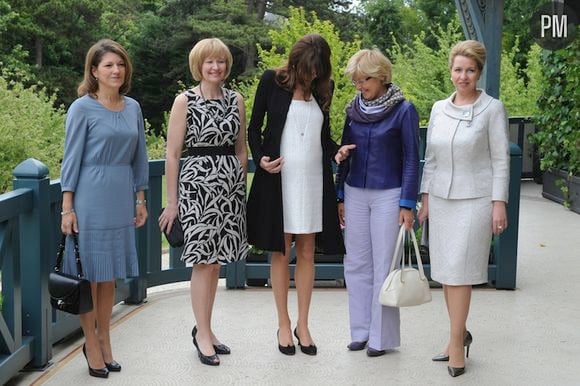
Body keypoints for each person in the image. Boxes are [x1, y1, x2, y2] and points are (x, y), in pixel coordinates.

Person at [246, 33, 344, 356]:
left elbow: (323, 138)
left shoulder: (323, 89)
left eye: (318, 70)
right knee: (280, 250)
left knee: (307, 251)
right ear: (296, 62)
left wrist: (337, 152)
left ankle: (304, 324)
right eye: (308, 69)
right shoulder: (272, 81)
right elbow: (254, 129)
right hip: (280, 180)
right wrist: (260, 157)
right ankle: (283, 323)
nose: (312, 75)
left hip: (313, 181)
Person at [417, 40, 509, 377]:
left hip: (476, 200)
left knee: (461, 271)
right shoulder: (439, 108)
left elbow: (501, 160)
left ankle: (456, 344)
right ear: (450, 71)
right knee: (445, 273)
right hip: (441, 199)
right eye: (458, 69)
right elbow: (432, 158)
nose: (463, 76)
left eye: (470, 70)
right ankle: (459, 334)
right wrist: (425, 198)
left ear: (479, 72)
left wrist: (499, 203)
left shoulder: (492, 109)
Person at [60, 39, 149, 378]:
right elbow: (71, 159)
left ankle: (105, 338)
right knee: (89, 276)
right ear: (94, 71)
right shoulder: (81, 108)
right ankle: (91, 343)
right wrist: (67, 207)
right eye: (108, 65)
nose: (116, 70)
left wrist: (140, 199)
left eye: (120, 64)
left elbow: (139, 156)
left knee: (108, 275)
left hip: (120, 196)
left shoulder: (133, 107)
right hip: (89, 197)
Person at [158, 38, 248, 366]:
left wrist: (237, 187)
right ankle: (203, 336)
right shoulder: (185, 100)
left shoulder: (236, 99)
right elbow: (172, 153)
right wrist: (172, 202)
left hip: (228, 189)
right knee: (203, 262)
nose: (216, 67)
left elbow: (241, 148)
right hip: (196, 187)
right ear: (199, 65)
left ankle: (206, 329)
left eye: (221, 61)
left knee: (217, 263)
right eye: (209, 62)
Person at [334, 48, 420, 357]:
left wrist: (407, 203)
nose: (359, 86)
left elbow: (412, 159)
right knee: (355, 263)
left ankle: (380, 339)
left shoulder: (404, 110)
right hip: (354, 191)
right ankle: (360, 332)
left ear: (381, 76)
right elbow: (346, 152)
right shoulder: (352, 109)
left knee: (384, 265)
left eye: (364, 79)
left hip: (389, 194)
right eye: (356, 81)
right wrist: (339, 194)